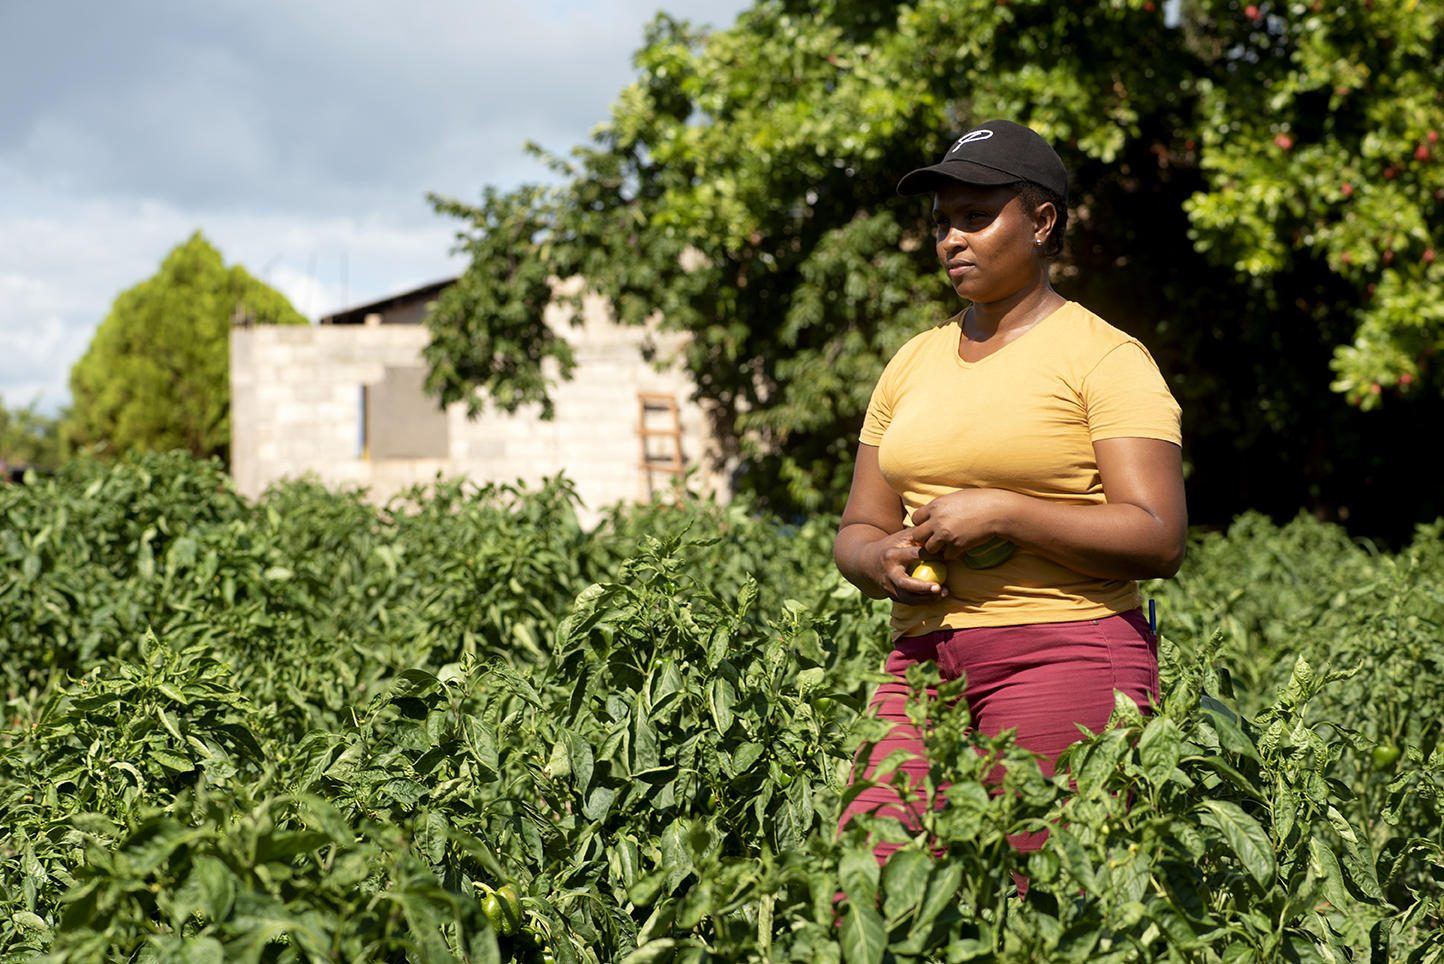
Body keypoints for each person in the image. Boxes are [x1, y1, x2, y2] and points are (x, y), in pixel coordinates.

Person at [833, 119, 1187, 869]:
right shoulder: (911, 362)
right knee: (867, 880)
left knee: (1044, 891)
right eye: (941, 223)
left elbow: (1158, 537)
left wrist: (1007, 514)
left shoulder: (1105, 358)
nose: (951, 240)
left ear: (1042, 221)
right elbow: (859, 525)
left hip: (1064, 652)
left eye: (975, 216)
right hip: (921, 662)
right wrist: (876, 559)